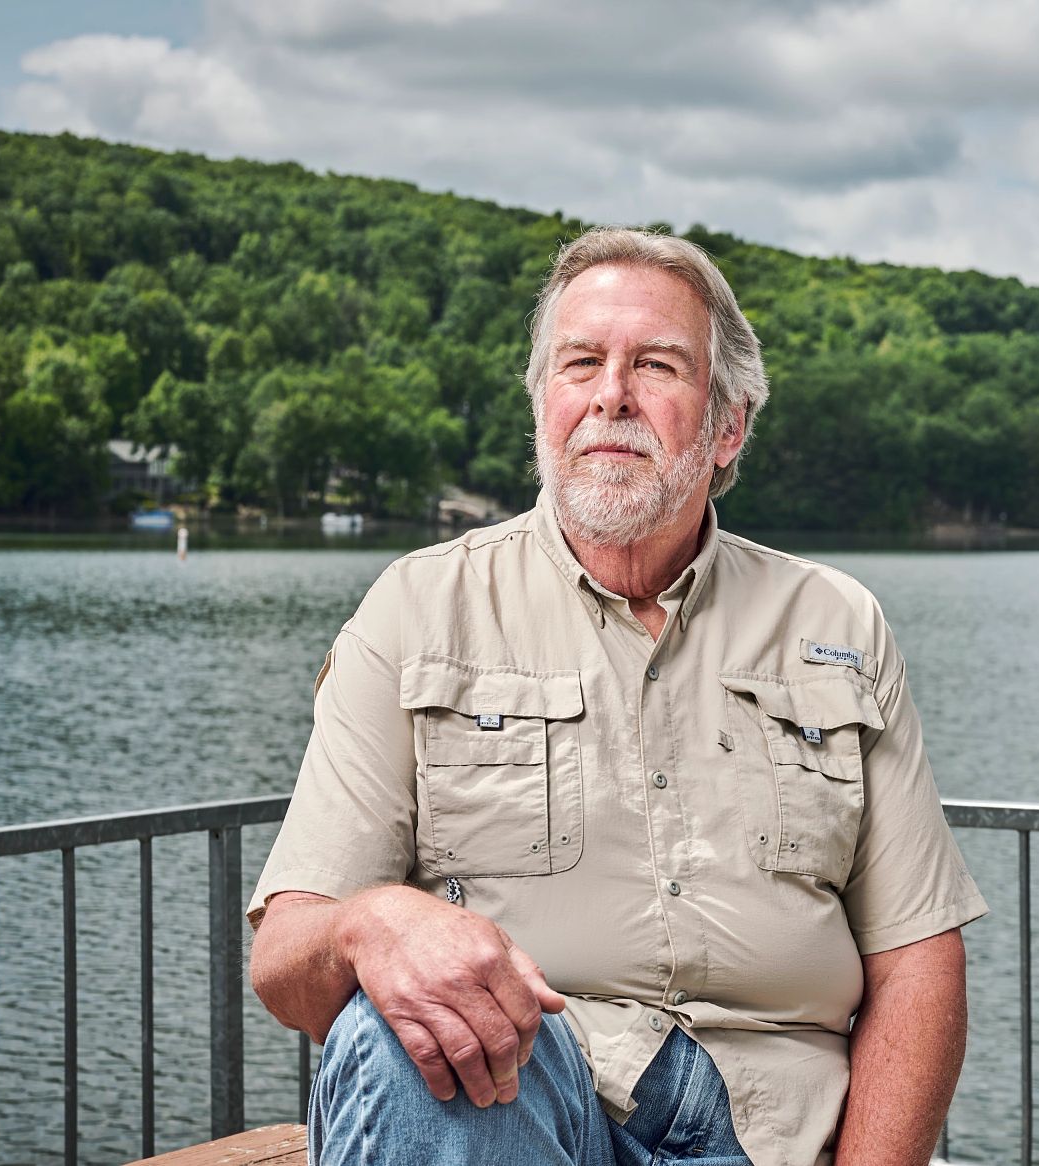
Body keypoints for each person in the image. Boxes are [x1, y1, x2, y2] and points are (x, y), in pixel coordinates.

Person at [247, 228, 988, 1166]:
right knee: (409, 1033)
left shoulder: (837, 623)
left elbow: (918, 959)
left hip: (775, 1134)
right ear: (542, 406)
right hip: (523, 1105)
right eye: (580, 363)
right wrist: (368, 925)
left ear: (728, 426)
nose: (610, 395)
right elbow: (286, 961)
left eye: (656, 365)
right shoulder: (418, 611)